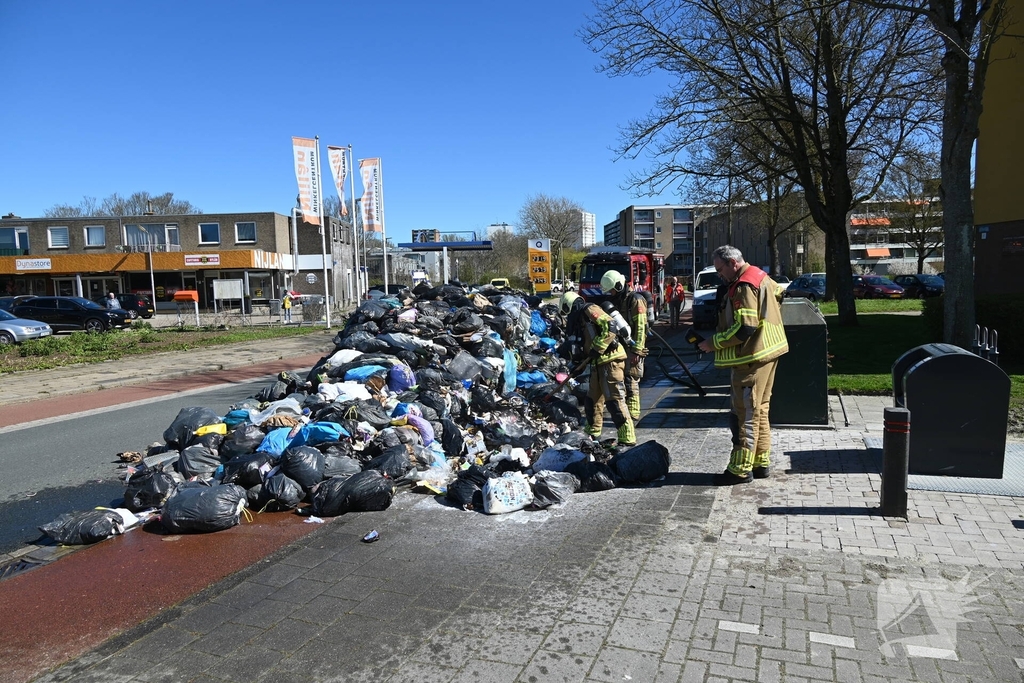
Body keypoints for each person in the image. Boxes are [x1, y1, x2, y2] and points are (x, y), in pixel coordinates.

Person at [697, 245, 789, 485]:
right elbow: (778, 298)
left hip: (751, 359)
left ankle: (739, 469)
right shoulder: (760, 276)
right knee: (760, 410)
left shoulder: (742, 286)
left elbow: (745, 327)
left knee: (744, 414)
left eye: (720, 270)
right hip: (769, 352)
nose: (719, 275)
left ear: (733, 264)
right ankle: (760, 463)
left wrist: (713, 343)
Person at [559, 291, 636, 447]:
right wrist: (578, 366)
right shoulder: (580, 319)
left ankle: (627, 437)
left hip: (611, 360)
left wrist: (598, 347)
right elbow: (585, 344)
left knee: (615, 400)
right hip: (598, 362)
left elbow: (610, 326)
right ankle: (592, 432)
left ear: (570, 305)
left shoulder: (589, 309)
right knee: (592, 400)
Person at [599, 270, 648, 422]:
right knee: (622, 379)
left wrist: (637, 351)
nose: (611, 293)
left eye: (612, 290)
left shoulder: (635, 300)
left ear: (619, 286)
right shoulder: (619, 299)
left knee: (631, 379)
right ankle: (627, 411)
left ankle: (633, 414)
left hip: (633, 347)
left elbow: (641, 327)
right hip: (622, 346)